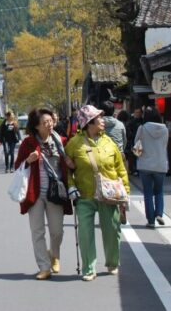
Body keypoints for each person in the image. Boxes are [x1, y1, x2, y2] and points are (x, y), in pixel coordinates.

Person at [65, 104, 130, 282]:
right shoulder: (74, 144)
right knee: (85, 233)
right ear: (89, 123)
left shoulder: (109, 142)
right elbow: (67, 169)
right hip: (84, 195)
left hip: (109, 195)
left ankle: (112, 262)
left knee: (111, 231)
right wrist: (71, 186)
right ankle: (88, 268)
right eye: (98, 118)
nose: (102, 120)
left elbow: (120, 168)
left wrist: (126, 191)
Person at [15, 108, 73, 280]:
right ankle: (44, 266)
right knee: (37, 231)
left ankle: (54, 254)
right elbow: (17, 165)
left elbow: (70, 165)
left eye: (51, 121)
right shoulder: (29, 144)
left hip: (55, 192)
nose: (50, 125)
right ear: (37, 127)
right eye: (45, 122)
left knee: (57, 231)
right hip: (35, 193)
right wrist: (28, 161)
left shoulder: (62, 141)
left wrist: (71, 164)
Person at [133, 106, 169, 227]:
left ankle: (151, 221)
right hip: (160, 164)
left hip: (145, 165)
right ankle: (159, 213)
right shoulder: (165, 129)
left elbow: (136, 144)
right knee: (159, 191)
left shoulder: (142, 128)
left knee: (148, 193)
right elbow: (165, 145)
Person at [126, 107, 144, 175]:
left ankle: (139, 169)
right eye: (136, 112)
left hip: (142, 141)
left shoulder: (143, 121)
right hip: (134, 141)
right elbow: (129, 131)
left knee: (140, 156)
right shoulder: (131, 122)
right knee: (134, 156)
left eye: (139, 112)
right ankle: (135, 170)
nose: (138, 114)